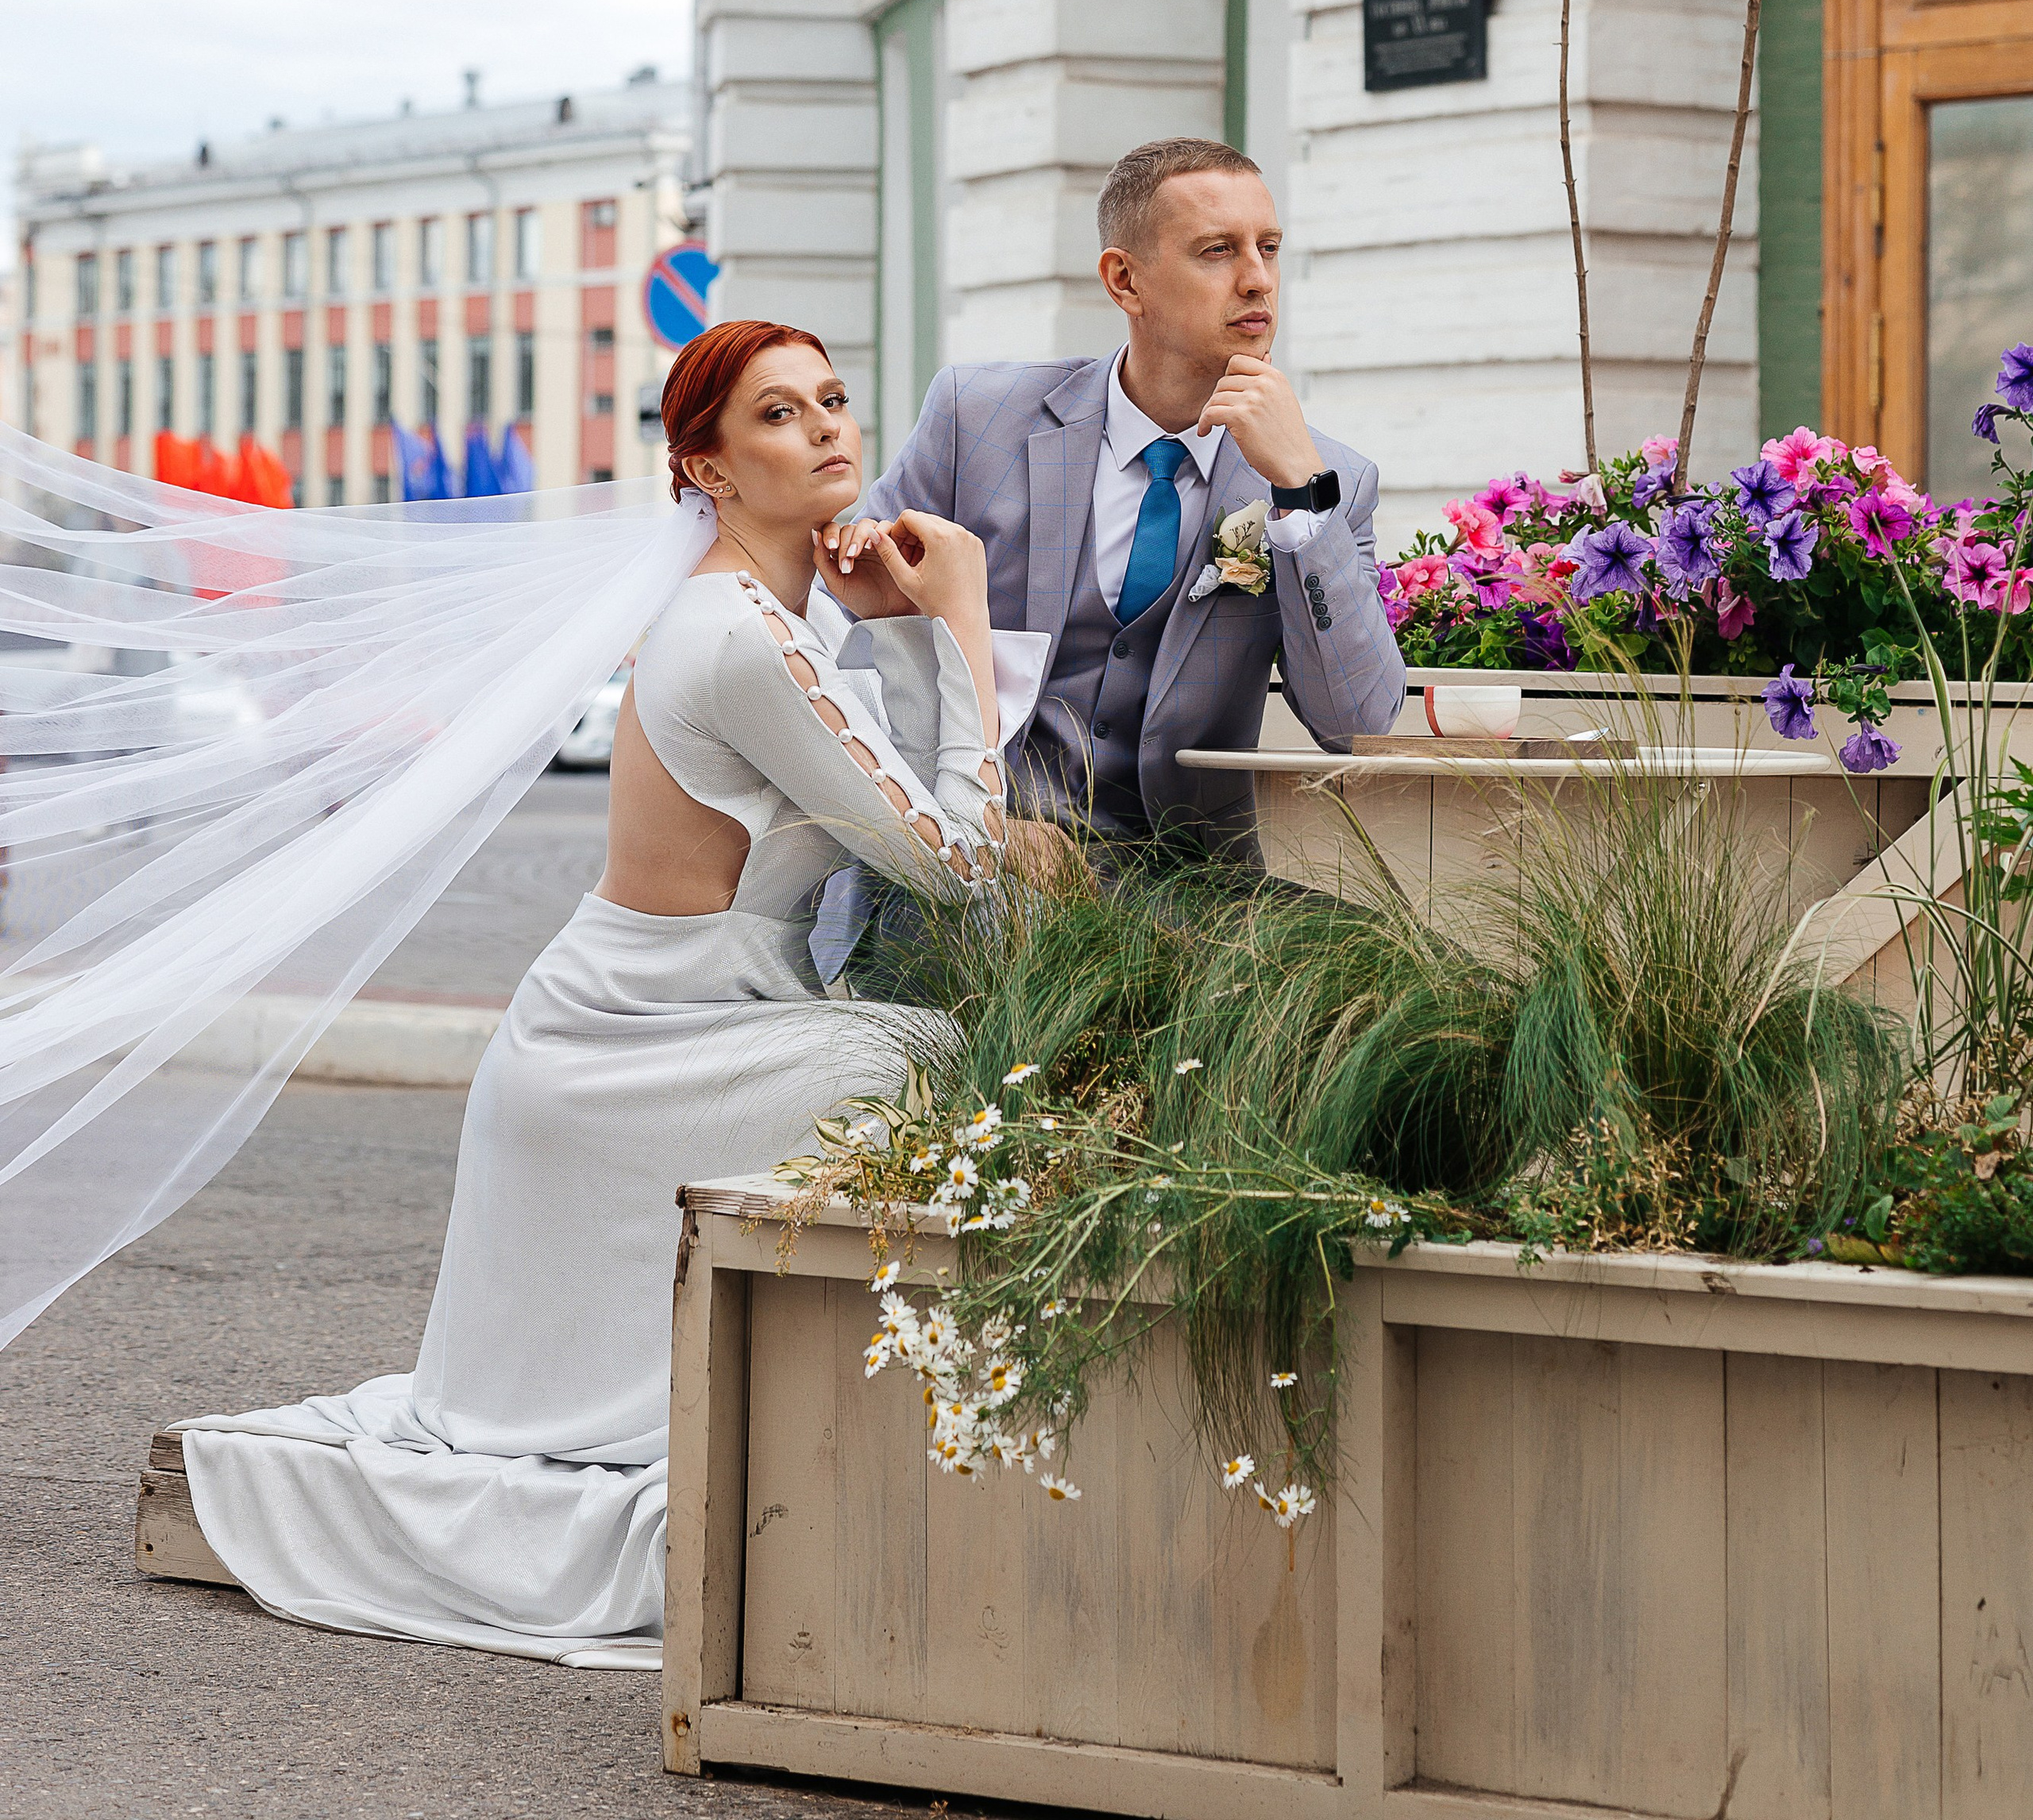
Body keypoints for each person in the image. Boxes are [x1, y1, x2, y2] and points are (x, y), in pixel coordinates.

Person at [174, 321, 1047, 1668]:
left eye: (830, 399)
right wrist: (962, 620)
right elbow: (956, 868)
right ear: (705, 466)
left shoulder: (765, 617)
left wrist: (904, 639)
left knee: (929, 1066)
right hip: (622, 1051)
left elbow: (927, 832)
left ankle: (904, 1434)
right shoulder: (735, 635)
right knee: (930, 1061)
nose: (825, 428)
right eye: (776, 415)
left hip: (673, 1025)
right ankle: (896, 1447)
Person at [815, 137, 1403, 971]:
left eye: (1268, 249)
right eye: (1217, 251)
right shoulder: (976, 419)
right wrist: (973, 824)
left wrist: (1301, 498)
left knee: (1385, 969)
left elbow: (1358, 726)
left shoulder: (1327, 476)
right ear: (1124, 280)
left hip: (1189, 892)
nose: (1258, 279)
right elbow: (835, 635)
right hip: (976, 864)